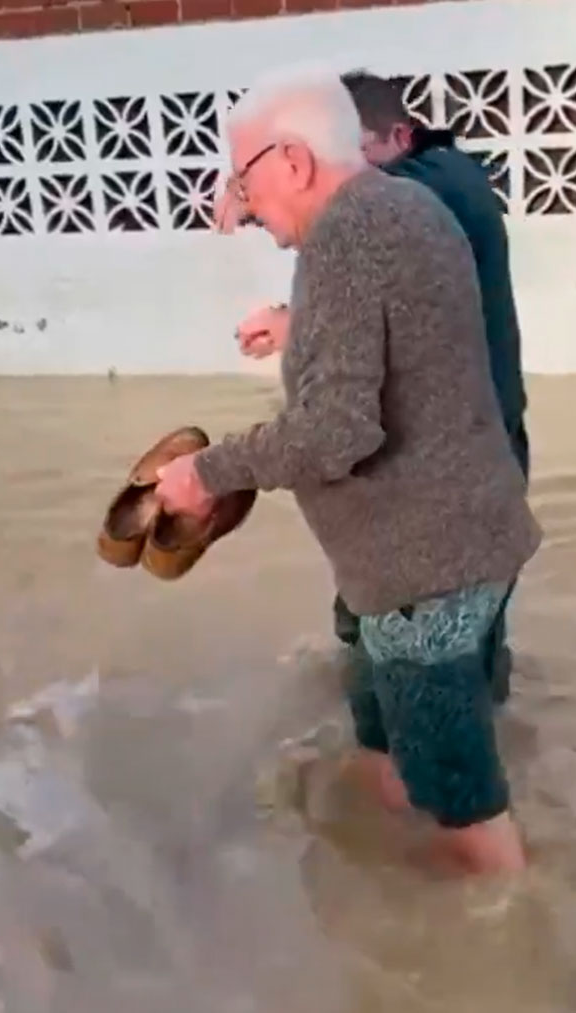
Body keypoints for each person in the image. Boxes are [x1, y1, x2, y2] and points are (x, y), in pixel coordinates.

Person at [153, 64, 540, 876]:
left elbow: (335, 433)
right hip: (446, 546)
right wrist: (303, 330)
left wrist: (208, 473)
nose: (244, 201)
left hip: (424, 574)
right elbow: (404, 349)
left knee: (463, 813)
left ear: (293, 162)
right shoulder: (404, 206)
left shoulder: (348, 235)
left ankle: (498, 963)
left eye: (244, 178)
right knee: (383, 748)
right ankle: (373, 888)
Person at [230, 71, 528, 708]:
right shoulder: (443, 179)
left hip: (442, 469)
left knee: (426, 672)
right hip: (481, 440)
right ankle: (480, 727)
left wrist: (259, 198)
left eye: (356, 151)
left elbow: (338, 424)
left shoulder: (414, 195)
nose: (346, 170)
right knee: (464, 648)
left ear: (401, 135)